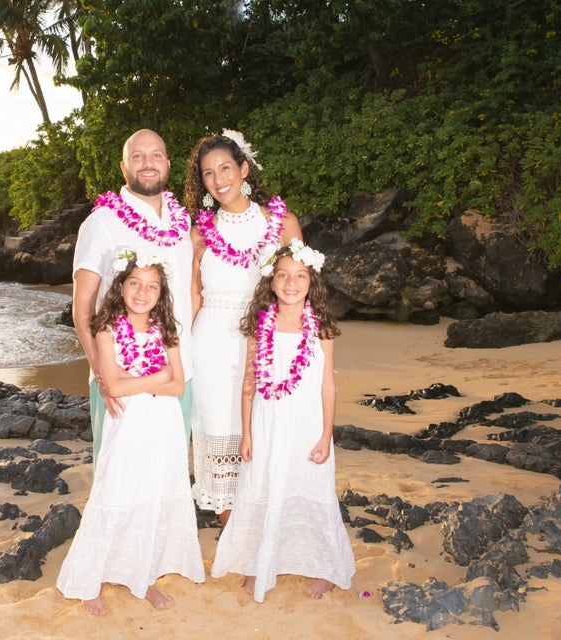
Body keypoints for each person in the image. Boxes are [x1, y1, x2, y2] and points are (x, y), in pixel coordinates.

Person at [57, 250, 205, 614]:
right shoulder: (106, 330)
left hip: (164, 422)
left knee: (155, 492)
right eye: (135, 283)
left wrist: (135, 380)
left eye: (152, 286)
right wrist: (156, 378)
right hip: (127, 421)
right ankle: (89, 581)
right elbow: (115, 387)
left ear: (161, 293)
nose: (142, 292)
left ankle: (147, 577)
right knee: (115, 490)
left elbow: (178, 387)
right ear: (121, 287)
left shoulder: (167, 330)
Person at [210, 240, 355, 602]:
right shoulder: (261, 328)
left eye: (300, 276)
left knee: (312, 488)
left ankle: (327, 569)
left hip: (306, 424)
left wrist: (326, 435)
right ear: (270, 282)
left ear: (311, 282)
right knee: (263, 486)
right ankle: (260, 563)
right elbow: (248, 385)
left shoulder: (321, 328)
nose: (291, 283)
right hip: (267, 422)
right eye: (283, 276)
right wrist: (246, 433)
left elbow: (327, 386)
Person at [185, 129, 301, 524]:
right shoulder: (199, 234)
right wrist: (177, 351)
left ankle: (267, 513)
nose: (218, 180)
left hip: (269, 339)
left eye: (225, 168)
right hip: (212, 342)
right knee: (219, 424)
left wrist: (310, 348)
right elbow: (193, 296)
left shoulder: (283, 224)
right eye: (208, 173)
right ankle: (229, 519)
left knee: (266, 425)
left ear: (244, 169)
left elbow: (301, 289)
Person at [73, 129, 194, 462]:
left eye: (156, 155)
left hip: (177, 374)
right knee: (117, 478)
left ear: (168, 164)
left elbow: (189, 293)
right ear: (124, 167)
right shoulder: (102, 223)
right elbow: (83, 305)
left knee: (167, 474)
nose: (148, 163)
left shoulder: (182, 225)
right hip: (120, 374)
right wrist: (101, 373)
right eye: (137, 156)